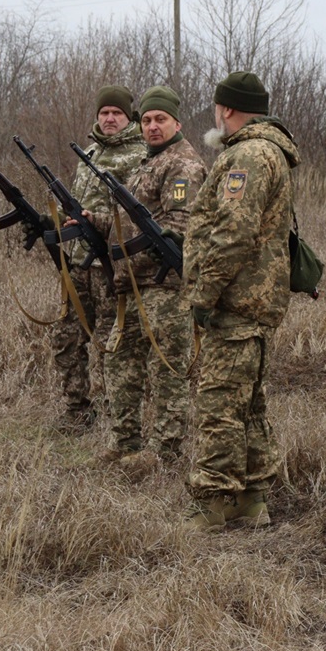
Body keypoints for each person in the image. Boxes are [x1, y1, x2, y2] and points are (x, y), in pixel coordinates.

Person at [182, 71, 298, 531]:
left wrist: (204, 294)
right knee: (248, 404)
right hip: (254, 301)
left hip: (236, 302)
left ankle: (212, 504)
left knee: (219, 405)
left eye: (217, 106)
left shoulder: (248, 155)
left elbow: (233, 232)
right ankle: (251, 500)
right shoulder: (270, 151)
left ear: (226, 108)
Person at [92, 86, 206, 462]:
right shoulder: (149, 161)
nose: (152, 126)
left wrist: (143, 252)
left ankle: (164, 453)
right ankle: (124, 443)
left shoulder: (182, 165)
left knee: (166, 369)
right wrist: (94, 221)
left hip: (164, 286)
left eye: (160, 119)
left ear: (177, 123)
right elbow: (132, 225)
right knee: (119, 361)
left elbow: (179, 224)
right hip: (134, 284)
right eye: (146, 120)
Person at [49, 85, 146, 430]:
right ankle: (77, 410)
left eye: (116, 113)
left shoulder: (140, 156)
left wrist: (101, 226)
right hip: (79, 263)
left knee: (110, 343)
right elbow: (76, 205)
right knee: (66, 338)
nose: (109, 118)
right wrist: (54, 219)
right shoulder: (89, 152)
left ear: (128, 118)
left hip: (111, 265)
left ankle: (114, 417)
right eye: (104, 112)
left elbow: (141, 215)